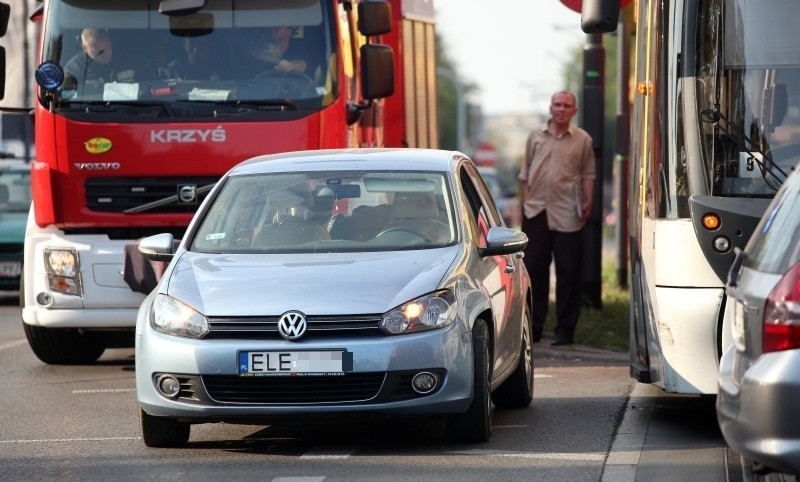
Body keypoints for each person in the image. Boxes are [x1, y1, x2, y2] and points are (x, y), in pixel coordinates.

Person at [518, 91, 595, 346]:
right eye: (557, 104)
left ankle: (565, 331)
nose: (561, 109)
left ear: (574, 111)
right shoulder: (535, 136)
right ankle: (535, 327)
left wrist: (587, 201)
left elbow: (588, 174)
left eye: (567, 106)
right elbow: (525, 173)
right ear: (550, 108)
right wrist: (525, 204)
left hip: (568, 212)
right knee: (535, 270)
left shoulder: (582, 139)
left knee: (568, 272)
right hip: (536, 211)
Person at [64, 28, 132, 88]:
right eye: (100, 52)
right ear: (85, 48)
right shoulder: (75, 69)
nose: (106, 55)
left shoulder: (125, 58)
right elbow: (68, 97)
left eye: (108, 47)